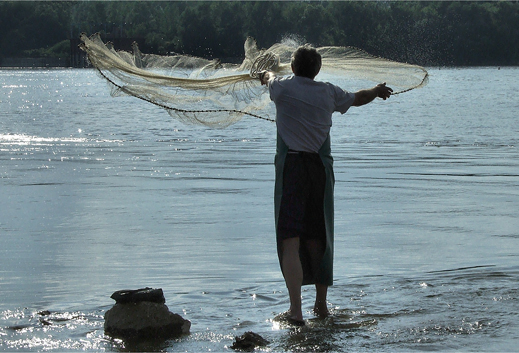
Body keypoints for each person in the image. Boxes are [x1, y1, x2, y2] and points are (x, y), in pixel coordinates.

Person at [259, 44, 392, 325]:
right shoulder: (329, 92)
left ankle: (296, 311)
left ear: (294, 68)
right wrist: (378, 90)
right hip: (320, 170)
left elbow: (268, 79)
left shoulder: (282, 88)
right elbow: (359, 98)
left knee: (290, 241)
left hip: (292, 168)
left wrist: (266, 72)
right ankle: (321, 306)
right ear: (317, 70)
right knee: (320, 235)